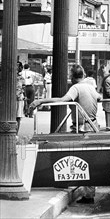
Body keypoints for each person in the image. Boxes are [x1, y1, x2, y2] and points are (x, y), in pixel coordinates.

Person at [28, 64, 101, 203]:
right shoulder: (90, 86)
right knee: (87, 159)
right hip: (92, 125)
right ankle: (88, 192)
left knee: (79, 157)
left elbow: (62, 100)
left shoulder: (76, 88)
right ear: (83, 75)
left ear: (73, 77)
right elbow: (99, 98)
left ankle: (86, 193)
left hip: (82, 128)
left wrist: (40, 101)